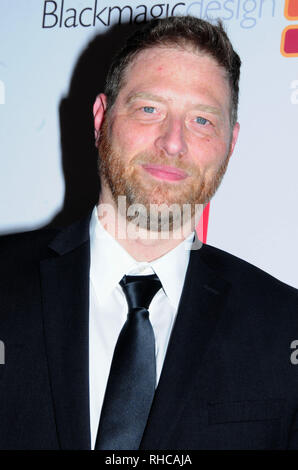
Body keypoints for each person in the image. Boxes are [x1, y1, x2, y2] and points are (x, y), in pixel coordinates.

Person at [0, 15, 298, 451]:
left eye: (201, 120)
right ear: (101, 118)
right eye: (149, 109)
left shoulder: (283, 328)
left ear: (230, 143)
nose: (173, 142)